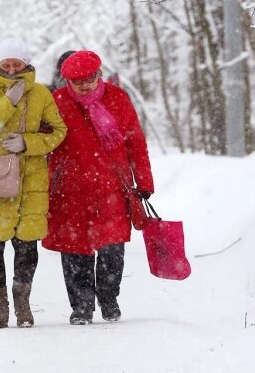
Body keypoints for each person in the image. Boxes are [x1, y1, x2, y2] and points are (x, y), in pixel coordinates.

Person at [0, 37, 67, 329]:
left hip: (30, 177)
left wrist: (27, 143)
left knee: (27, 245)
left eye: (16, 63)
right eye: (5, 63)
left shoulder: (42, 93)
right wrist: (8, 102)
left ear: (26, 63)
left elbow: (58, 132)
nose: (10, 68)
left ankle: (23, 303)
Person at [42, 50, 154, 325]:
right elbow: (42, 145)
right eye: (77, 81)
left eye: (89, 78)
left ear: (99, 74)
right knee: (74, 248)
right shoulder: (56, 103)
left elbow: (135, 143)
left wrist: (144, 181)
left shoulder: (117, 98)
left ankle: (108, 299)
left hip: (112, 185)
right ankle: (81, 307)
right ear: (66, 80)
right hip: (69, 188)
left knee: (111, 248)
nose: (84, 85)